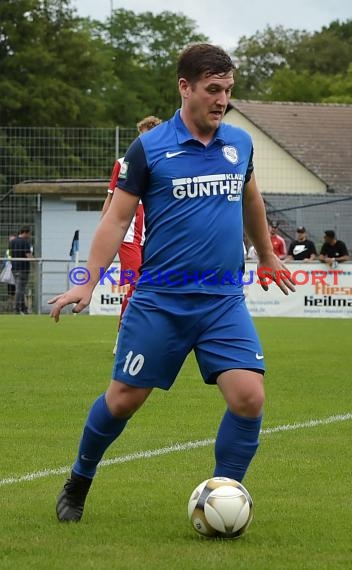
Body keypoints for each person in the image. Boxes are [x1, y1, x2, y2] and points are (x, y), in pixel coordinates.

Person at [49, 43, 296, 523]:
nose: (221, 100)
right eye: (212, 90)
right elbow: (116, 219)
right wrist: (86, 281)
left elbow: (251, 198)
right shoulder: (149, 148)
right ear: (185, 87)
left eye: (227, 90)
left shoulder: (239, 144)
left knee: (249, 396)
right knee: (123, 400)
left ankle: (224, 494)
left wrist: (266, 254)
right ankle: (79, 479)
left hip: (222, 301)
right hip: (161, 300)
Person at [102, 115, 162, 354]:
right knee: (137, 286)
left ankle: (146, 336)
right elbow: (110, 198)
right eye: (141, 135)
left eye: (147, 135)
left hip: (154, 236)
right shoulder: (124, 162)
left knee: (154, 287)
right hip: (128, 238)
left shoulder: (164, 162)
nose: (142, 140)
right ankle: (123, 337)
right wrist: (103, 229)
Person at [10, 226, 33, 314]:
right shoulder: (25, 242)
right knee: (20, 290)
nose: (29, 235)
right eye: (29, 233)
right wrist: (34, 263)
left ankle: (24, 308)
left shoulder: (12, 242)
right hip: (23, 269)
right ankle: (16, 308)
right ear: (25, 232)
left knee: (20, 289)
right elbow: (28, 254)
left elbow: (10, 253)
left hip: (14, 268)